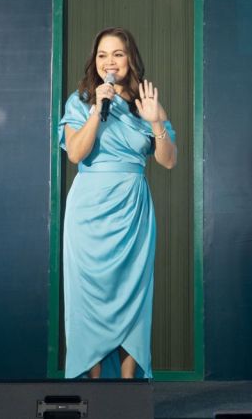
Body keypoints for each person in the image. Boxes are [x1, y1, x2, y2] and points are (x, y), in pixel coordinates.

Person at [59, 27, 177, 380]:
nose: (109, 62)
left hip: (132, 207)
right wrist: (97, 109)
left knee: (132, 294)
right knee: (88, 298)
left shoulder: (146, 102)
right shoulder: (80, 100)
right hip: (89, 211)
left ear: (130, 59)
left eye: (117, 54)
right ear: (94, 61)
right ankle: (94, 389)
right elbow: (76, 153)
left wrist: (156, 123)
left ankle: (128, 391)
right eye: (102, 55)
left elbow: (169, 161)